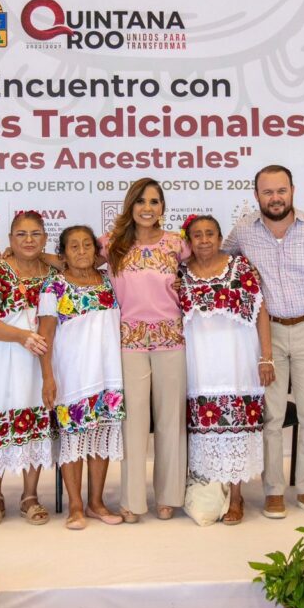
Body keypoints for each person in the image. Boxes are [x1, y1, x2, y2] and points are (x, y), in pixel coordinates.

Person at [222, 165, 304, 519]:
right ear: (256, 195)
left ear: (293, 190)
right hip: (265, 334)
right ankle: (273, 490)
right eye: (267, 192)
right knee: (271, 415)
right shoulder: (243, 231)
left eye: (281, 190)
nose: (275, 198)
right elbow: (220, 264)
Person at [103, 178, 191, 523]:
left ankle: (169, 495)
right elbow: (72, 256)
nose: (147, 207)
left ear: (162, 208)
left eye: (154, 201)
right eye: (140, 201)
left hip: (172, 339)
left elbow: (207, 259)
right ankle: (132, 499)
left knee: (171, 420)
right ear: (130, 205)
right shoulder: (111, 245)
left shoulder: (176, 244)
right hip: (130, 342)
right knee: (134, 423)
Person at [179, 214, 273, 525]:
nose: (204, 240)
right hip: (200, 365)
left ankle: (236, 498)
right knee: (206, 432)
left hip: (237, 361)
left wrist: (267, 357)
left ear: (220, 239)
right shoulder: (180, 274)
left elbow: (261, 312)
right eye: (197, 235)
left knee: (238, 429)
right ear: (189, 242)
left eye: (210, 234)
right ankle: (210, 497)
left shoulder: (241, 268)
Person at [0, 211, 54, 527]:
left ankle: (30, 496)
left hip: (38, 360)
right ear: (10, 238)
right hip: (0, 357)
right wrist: (20, 336)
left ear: (45, 238)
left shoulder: (51, 272)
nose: (28, 240)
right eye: (21, 234)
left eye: (35, 234)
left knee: (35, 417)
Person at [38, 226, 125, 530]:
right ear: (62, 254)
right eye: (74, 246)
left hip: (108, 375)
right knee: (74, 440)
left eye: (87, 245)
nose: (82, 251)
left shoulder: (109, 281)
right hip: (73, 376)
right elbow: (44, 335)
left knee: (100, 436)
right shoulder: (54, 287)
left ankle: (96, 502)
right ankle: (75, 505)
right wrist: (48, 377)